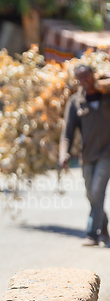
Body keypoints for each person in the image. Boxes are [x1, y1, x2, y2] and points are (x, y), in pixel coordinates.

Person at [59, 64, 110, 246]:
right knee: (91, 195)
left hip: (107, 154)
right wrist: (63, 153)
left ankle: (92, 234)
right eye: (81, 78)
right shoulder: (75, 102)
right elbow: (68, 132)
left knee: (97, 191)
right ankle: (104, 229)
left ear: (94, 76)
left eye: (87, 76)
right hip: (87, 156)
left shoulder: (107, 95)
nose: (85, 81)